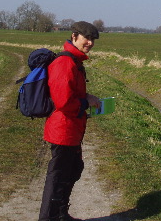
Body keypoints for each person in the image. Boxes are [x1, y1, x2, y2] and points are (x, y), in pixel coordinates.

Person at [38, 21, 101, 221]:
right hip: (62, 130)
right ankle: (49, 218)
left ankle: (61, 214)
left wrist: (86, 97)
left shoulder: (75, 62)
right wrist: (85, 102)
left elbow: (71, 93)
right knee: (57, 177)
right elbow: (63, 101)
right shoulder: (65, 63)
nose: (90, 43)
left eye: (92, 40)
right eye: (86, 38)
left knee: (72, 171)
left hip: (72, 129)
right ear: (74, 36)